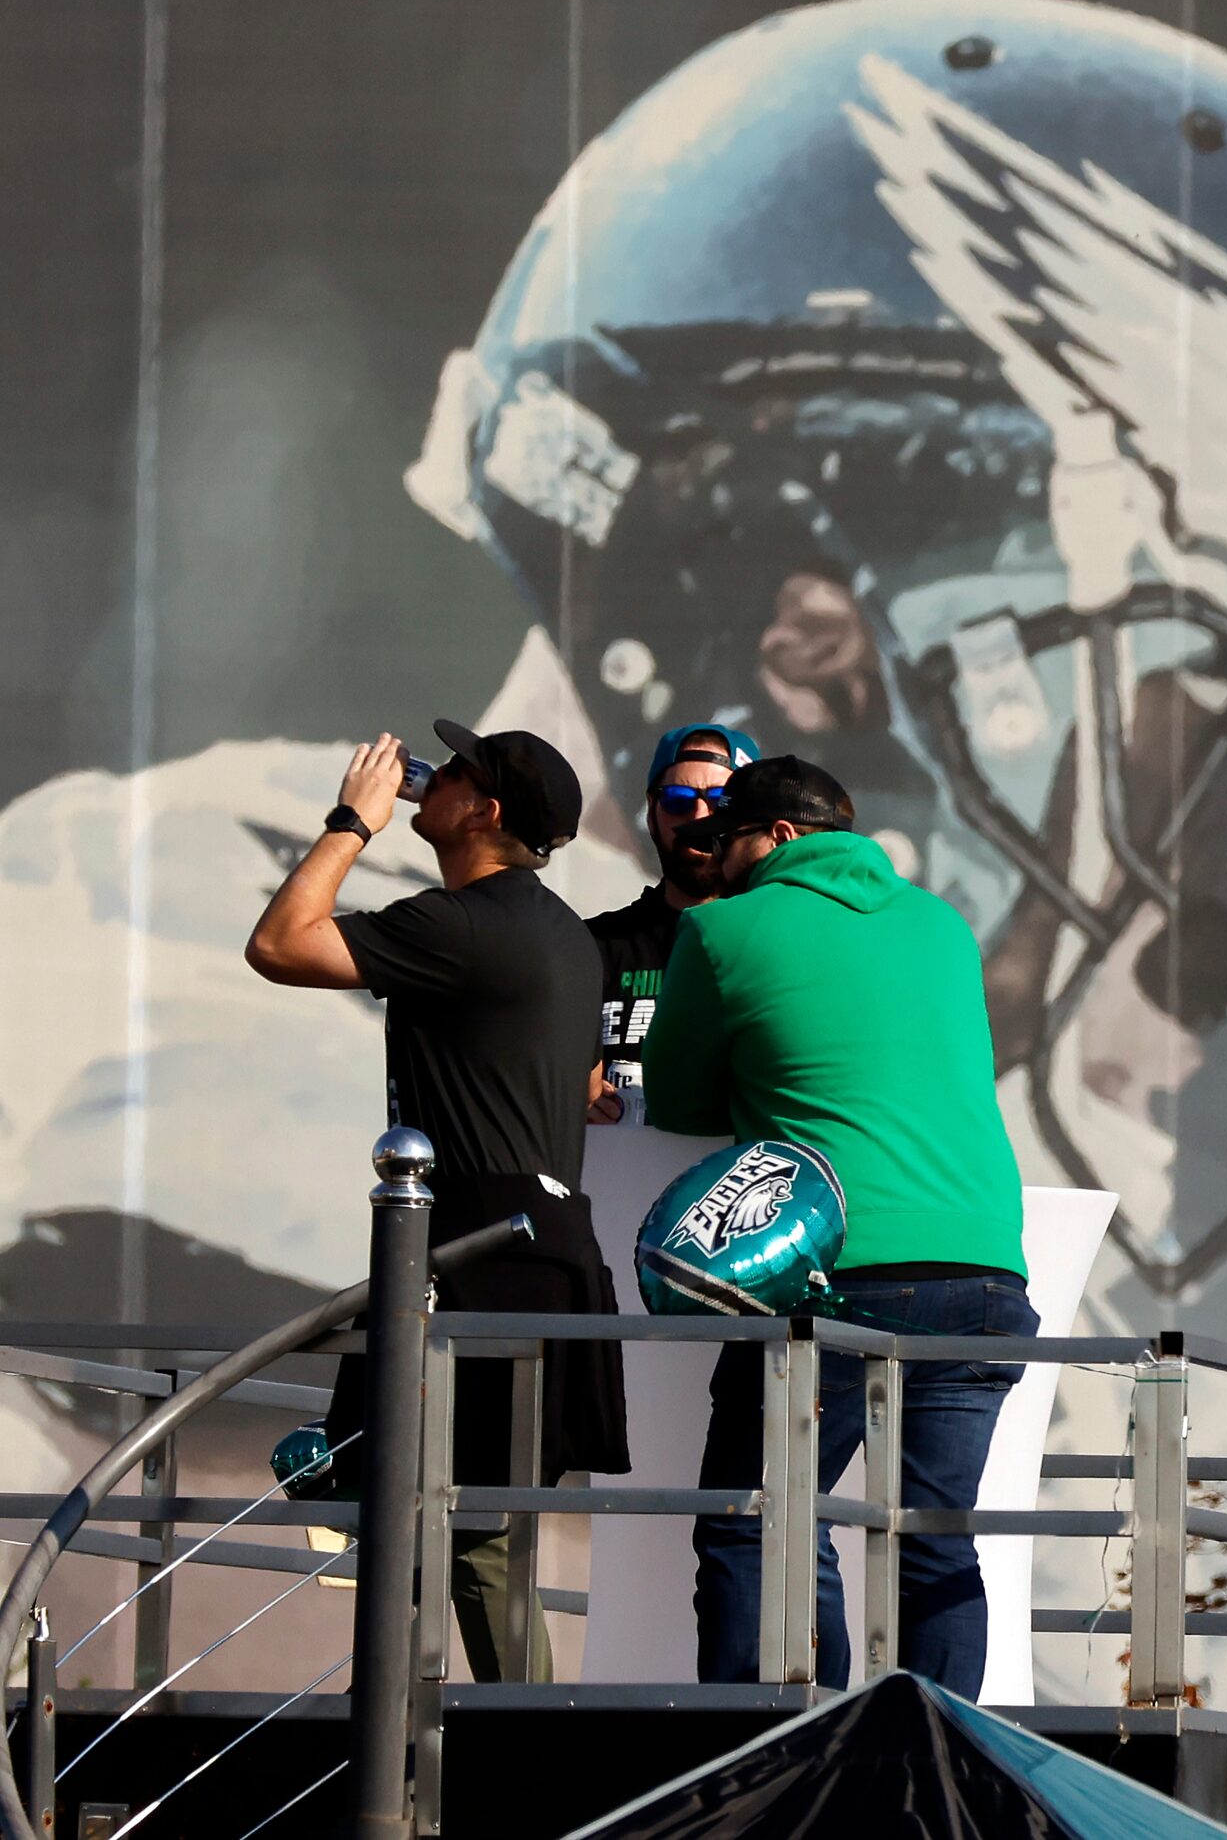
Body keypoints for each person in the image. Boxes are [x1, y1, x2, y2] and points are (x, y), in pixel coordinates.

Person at [638, 754, 1033, 1692]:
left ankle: (780, 1748)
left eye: (727, 836)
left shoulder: (722, 930)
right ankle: (935, 1762)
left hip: (839, 1273)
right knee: (933, 1543)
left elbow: (678, 1100)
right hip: (985, 1276)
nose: (714, 855)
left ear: (777, 837)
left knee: (762, 1516)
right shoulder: (944, 927)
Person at [244, 720, 628, 1682]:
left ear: (484, 812)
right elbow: (583, 1082)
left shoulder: (461, 924)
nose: (429, 777)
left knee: (462, 1536)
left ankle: (505, 1772)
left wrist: (352, 822)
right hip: (536, 1251)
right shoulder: (565, 939)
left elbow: (280, 942)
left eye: (451, 772)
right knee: (448, 1529)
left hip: (477, 1258)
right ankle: (443, 1759)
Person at [583, 721, 761, 1121]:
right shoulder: (593, 944)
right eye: (679, 800)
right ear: (650, 812)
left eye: (721, 801)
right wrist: (565, 1101)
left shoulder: (782, 946)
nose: (699, 817)